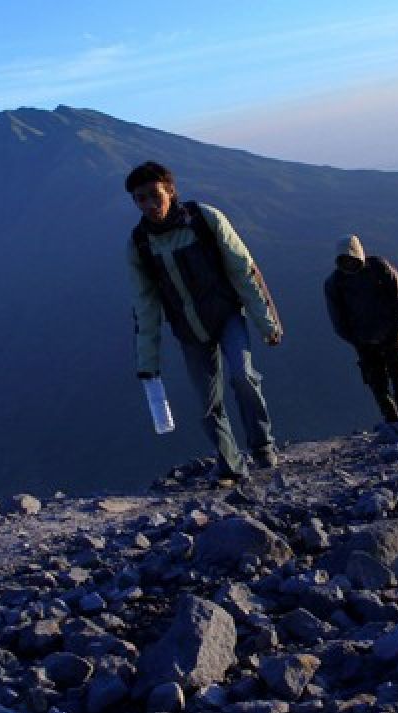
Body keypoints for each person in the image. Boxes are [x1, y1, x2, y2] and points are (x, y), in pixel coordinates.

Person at [125, 161, 282, 487]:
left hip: (226, 317)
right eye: (140, 199)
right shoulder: (140, 244)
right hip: (189, 330)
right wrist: (148, 363)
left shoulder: (205, 220)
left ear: (169, 190)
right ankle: (231, 466)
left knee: (243, 376)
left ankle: (262, 444)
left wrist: (267, 323)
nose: (150, 205)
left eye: (155, 195)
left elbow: (244, 270)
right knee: (208, 403)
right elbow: (145, 305)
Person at [324, 234, 398, 424]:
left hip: (389, 334)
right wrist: (356, 341)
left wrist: (396, 330)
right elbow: (338, 320)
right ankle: (391, 417)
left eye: (351, 258)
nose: (348, 264)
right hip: (364, 340)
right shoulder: (335, 284)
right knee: (377, 380)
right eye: (344, 260)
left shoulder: (380, 269)